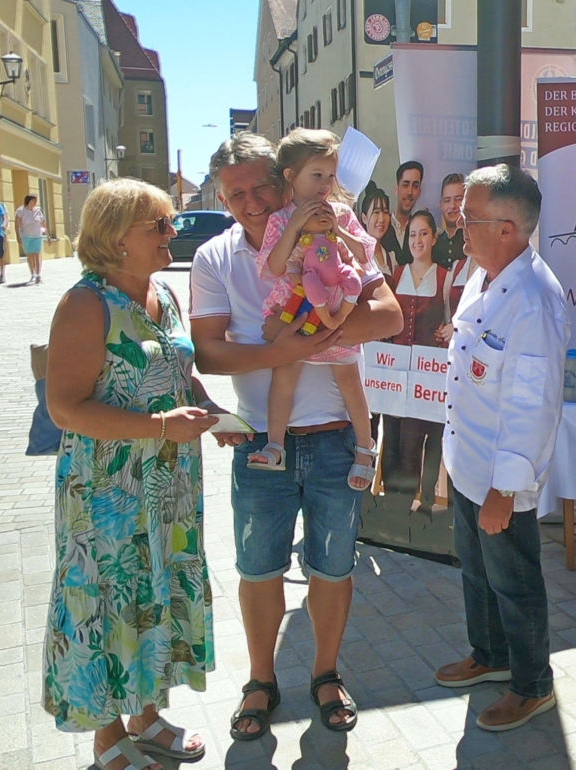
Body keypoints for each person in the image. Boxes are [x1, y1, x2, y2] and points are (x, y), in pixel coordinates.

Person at [189, 133, 402, 738]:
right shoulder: (214, 258)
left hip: (336, 436)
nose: (251, 201)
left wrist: (315, 336)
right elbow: (208, 352)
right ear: (223, 199)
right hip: (262, 440)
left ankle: (326, 673)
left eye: (261, 186)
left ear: (285, 180)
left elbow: (387, 313)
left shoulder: (335, 225)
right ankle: (261, 681)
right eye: (236, 194)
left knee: (333, 569)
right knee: (258, 569)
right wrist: (279, 351)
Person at [42, 178, 217, 770]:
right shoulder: (85, 304)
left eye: (170, 223)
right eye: (159, 226)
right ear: (116, 238)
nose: (172, 233)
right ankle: (106, 734)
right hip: (107, 490)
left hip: (167, 483)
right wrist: (163, 426)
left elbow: (175, 367)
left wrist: (213, 412)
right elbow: (64, 408)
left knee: (154, 592)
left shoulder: (161, 293)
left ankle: (146, 718)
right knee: (109, 601)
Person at [435, 164, 569, 732]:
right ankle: (490, 656)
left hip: (500, 475)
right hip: (468, 461)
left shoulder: (534, 299)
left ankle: (532, 685)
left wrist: (504, 490)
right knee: (475, 570)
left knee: (514, 581)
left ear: (509, 227)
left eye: (470, 218)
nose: (459, 226)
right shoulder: (483, 275)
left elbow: (531, 408)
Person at [248, 129, 377, 492]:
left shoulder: (342, 212)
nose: (325, 184)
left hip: (335, 307)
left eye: (330, 176)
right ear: (290, 176)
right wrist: (293, 224)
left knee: (350, 380)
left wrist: (340, 230)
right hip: (296, 309)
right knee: (283, 377)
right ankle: (275, 444)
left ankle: (365, 449)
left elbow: (367, 256)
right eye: (316, 175)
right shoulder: (279, 220)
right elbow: (271, 268)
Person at [383, 210, 448, 515]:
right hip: (397, 374)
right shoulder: (397, 274)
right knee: (394, 437)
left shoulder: (445, 277)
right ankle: (394, 504)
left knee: (422, 439)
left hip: (429, 376)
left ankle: (423, 502)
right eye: (413, 234)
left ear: (434, 237)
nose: (418, 240)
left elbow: (453, 320)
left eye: (424, 233)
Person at [360, 181, 399, 278]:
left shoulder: (391, 258)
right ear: (364, 218)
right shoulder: (357, 255)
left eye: (385, 212)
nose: (381, 219)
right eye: (376, 212)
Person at [391, 160, 423, 263]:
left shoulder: (422, 231)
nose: (410, 192)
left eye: (415, 186)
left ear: (419, 192)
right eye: (405, 185)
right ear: (396, 189)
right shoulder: (381, 227)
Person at [434, 173, 466, 268]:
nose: (452, 206)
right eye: (447, 200)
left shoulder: (475, 241)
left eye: (458, 199)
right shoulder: (433, 243)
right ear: (441, 205)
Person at [16, 194, 47, 284]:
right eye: (32, 201)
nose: (34, 203)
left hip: (37, 235)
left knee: (37, 254)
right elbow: (17, 224)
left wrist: (48, 236)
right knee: (30, 255)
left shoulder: (38, 211)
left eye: (35, 201)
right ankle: (32, 274)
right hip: (26, 235)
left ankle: (38, 274)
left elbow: (43, 224)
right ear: (27, 201)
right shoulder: (21, 210)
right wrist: (18, 236)